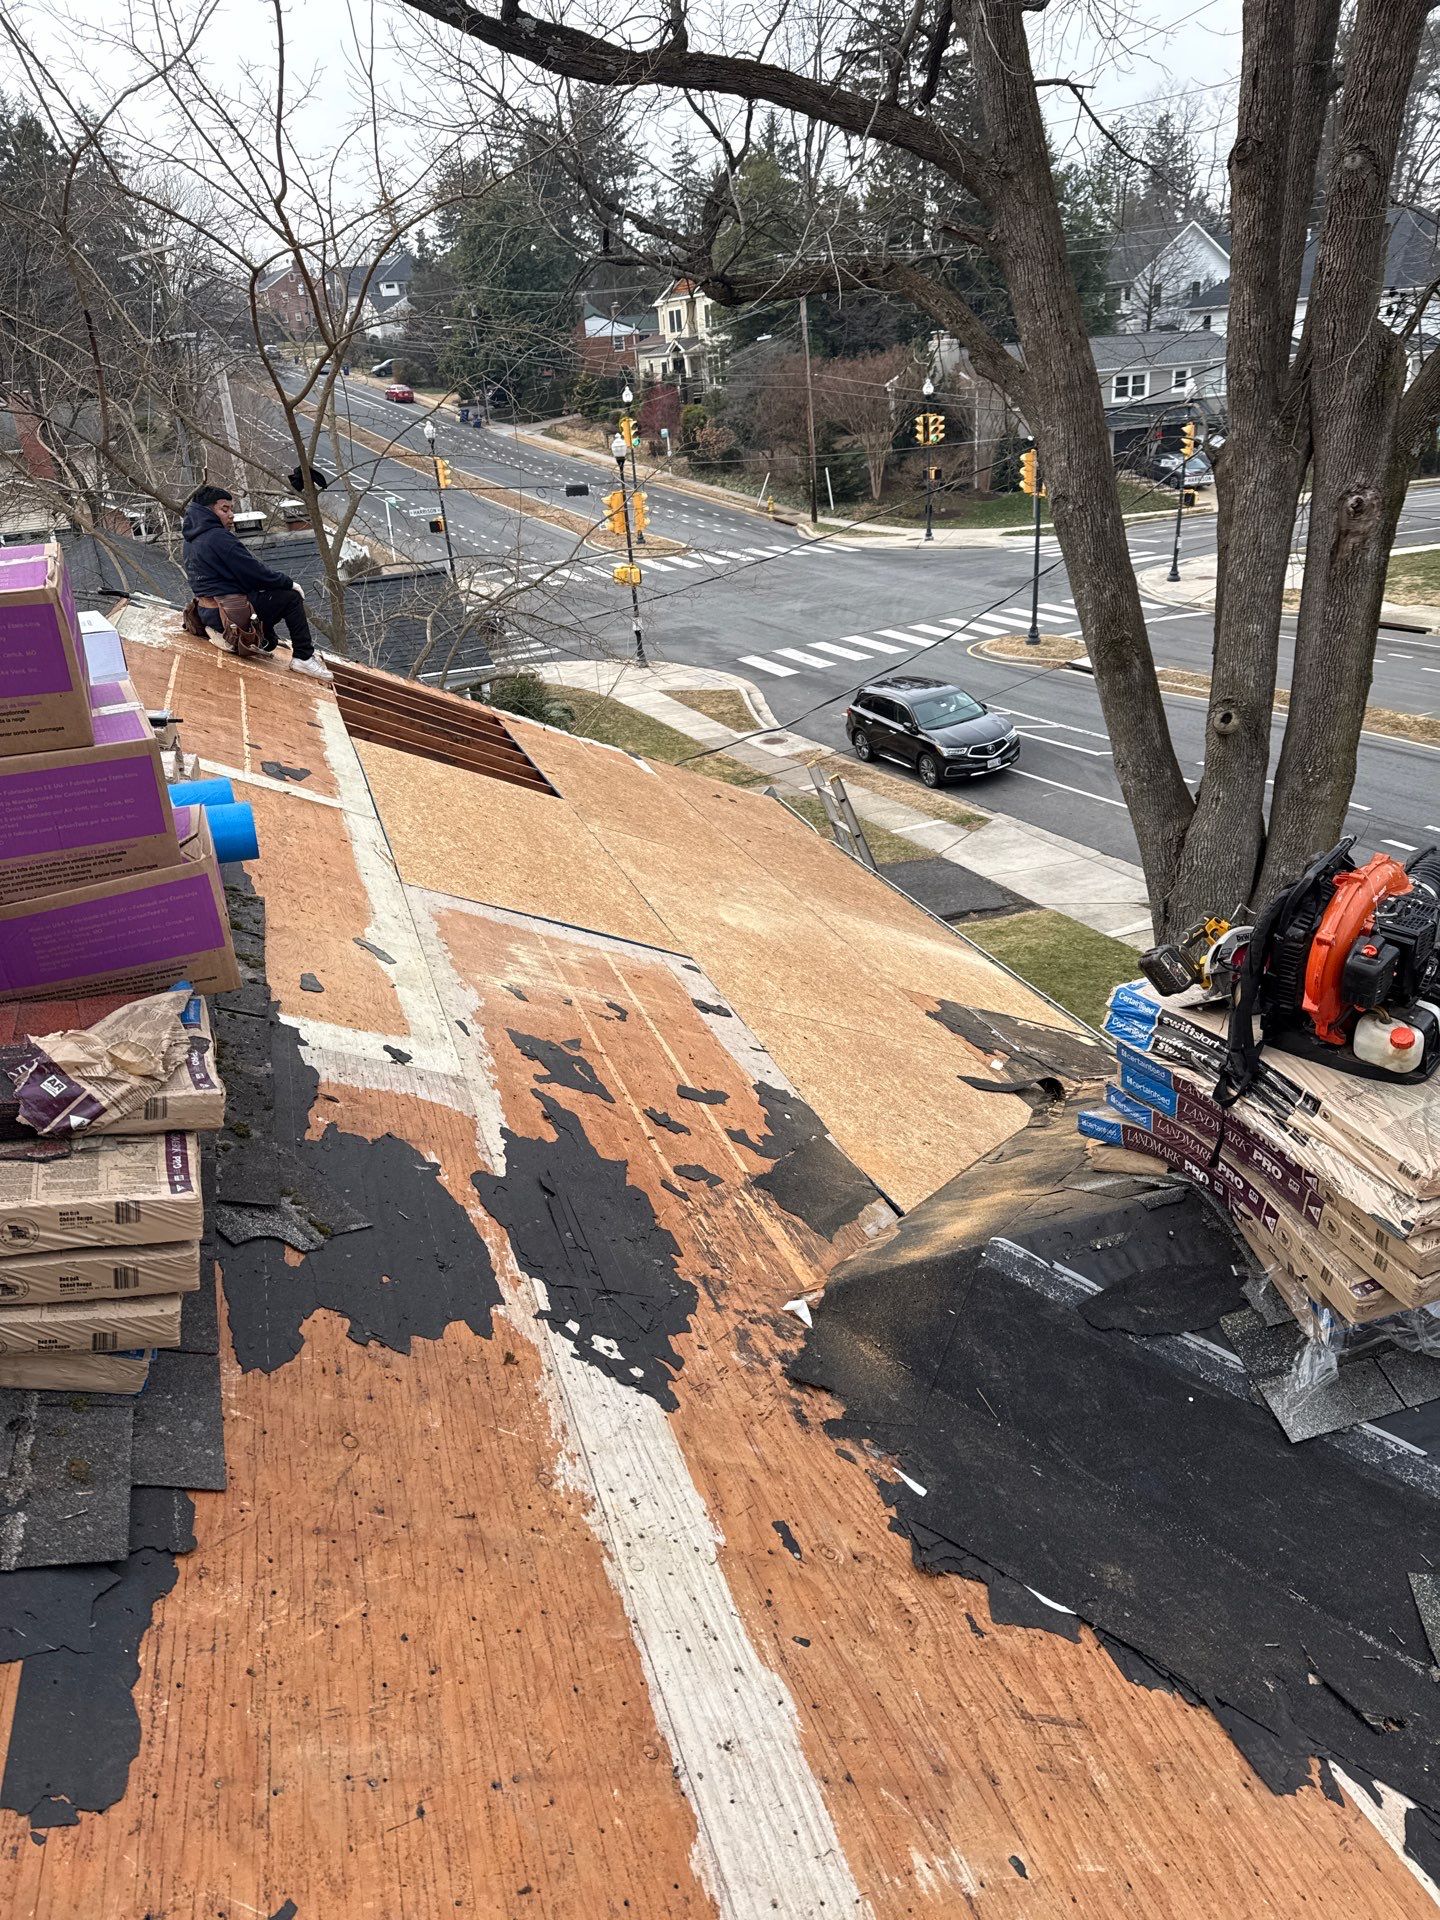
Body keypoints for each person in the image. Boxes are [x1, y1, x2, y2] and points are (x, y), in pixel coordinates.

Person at [180, 485, 331, 681]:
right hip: (229, 616)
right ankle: (303, 657)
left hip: (208, 613)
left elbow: (239, 577)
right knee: (290, 598)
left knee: (264, 605)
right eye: (225, 509)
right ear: (207, 511)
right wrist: (287, 583)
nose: (231, 515)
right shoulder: (218, 537)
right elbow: (254, 572)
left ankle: (264, 637)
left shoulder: (191, 539)